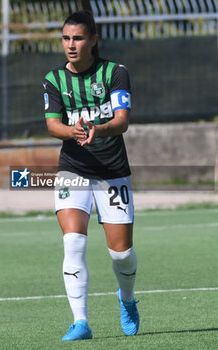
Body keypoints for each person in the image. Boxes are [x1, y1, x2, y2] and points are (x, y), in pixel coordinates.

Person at [43, 10, 139, 342]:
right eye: (66, 38)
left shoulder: (115, 72)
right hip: (74, 169)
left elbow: (123, 120)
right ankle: (80, 322)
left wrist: (99, 130)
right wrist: (73, 131)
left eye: (78, 38)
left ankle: (126, 300)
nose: (71, 45)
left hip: (112, 172)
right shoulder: (54, 80)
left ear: (93, 40)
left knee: (121, 253)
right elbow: (52, 124)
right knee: (73, 242)